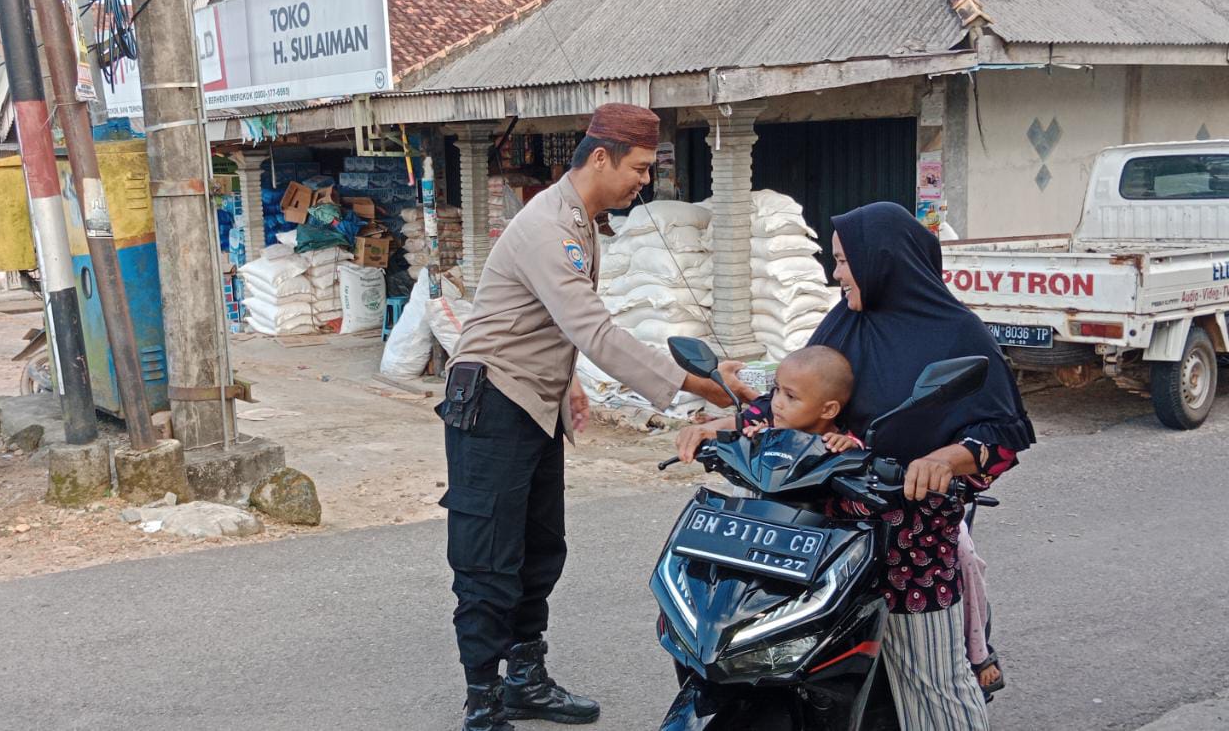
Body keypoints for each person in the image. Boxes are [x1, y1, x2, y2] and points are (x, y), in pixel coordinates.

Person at [677, 202, 1032, 730]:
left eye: (845, 261)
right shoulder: (843, 324)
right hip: (819, 528)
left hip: (907, 532)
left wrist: (946, 458)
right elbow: (795, 396)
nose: (836, 273)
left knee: (931, 681)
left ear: (883, 261)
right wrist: (722, 427)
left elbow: (1001, 433)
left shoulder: (958, 333)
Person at [440, 103, 738, 731]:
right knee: (489, 557)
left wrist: (566, 376)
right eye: (636, 168)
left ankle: (524, 677)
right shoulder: (550, 225)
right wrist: (696, 385)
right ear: (599, 157)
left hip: (532, 401)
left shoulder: (581, 219)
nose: (643, 181)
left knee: (540, 547)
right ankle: (483, 702)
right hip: (492, 402)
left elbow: (541, 317)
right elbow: (595, 330)